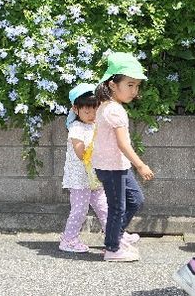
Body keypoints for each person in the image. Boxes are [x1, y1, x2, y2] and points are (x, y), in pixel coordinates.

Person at [93, 52, 154, 262]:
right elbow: (123, 143)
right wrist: (141, 165)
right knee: (118, 207)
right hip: (112, 167)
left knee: (135, 199)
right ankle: (112, 247)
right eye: (129, 84)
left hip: (116, 165)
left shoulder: (109, 107)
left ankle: (115, 235)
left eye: (136, 85)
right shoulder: (114, 110)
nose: (134, 90)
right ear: (112, 84)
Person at [59, 83, 108, 253]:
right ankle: (68, 239)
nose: (91, 114)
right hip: (80, 178)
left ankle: (113, 238)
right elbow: (81, 153)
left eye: (95, 110)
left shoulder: (95, 125)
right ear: (75, 109)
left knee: (104, 208)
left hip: (95, 177)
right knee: (80, 210)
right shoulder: (76, 128)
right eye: (87, 111)